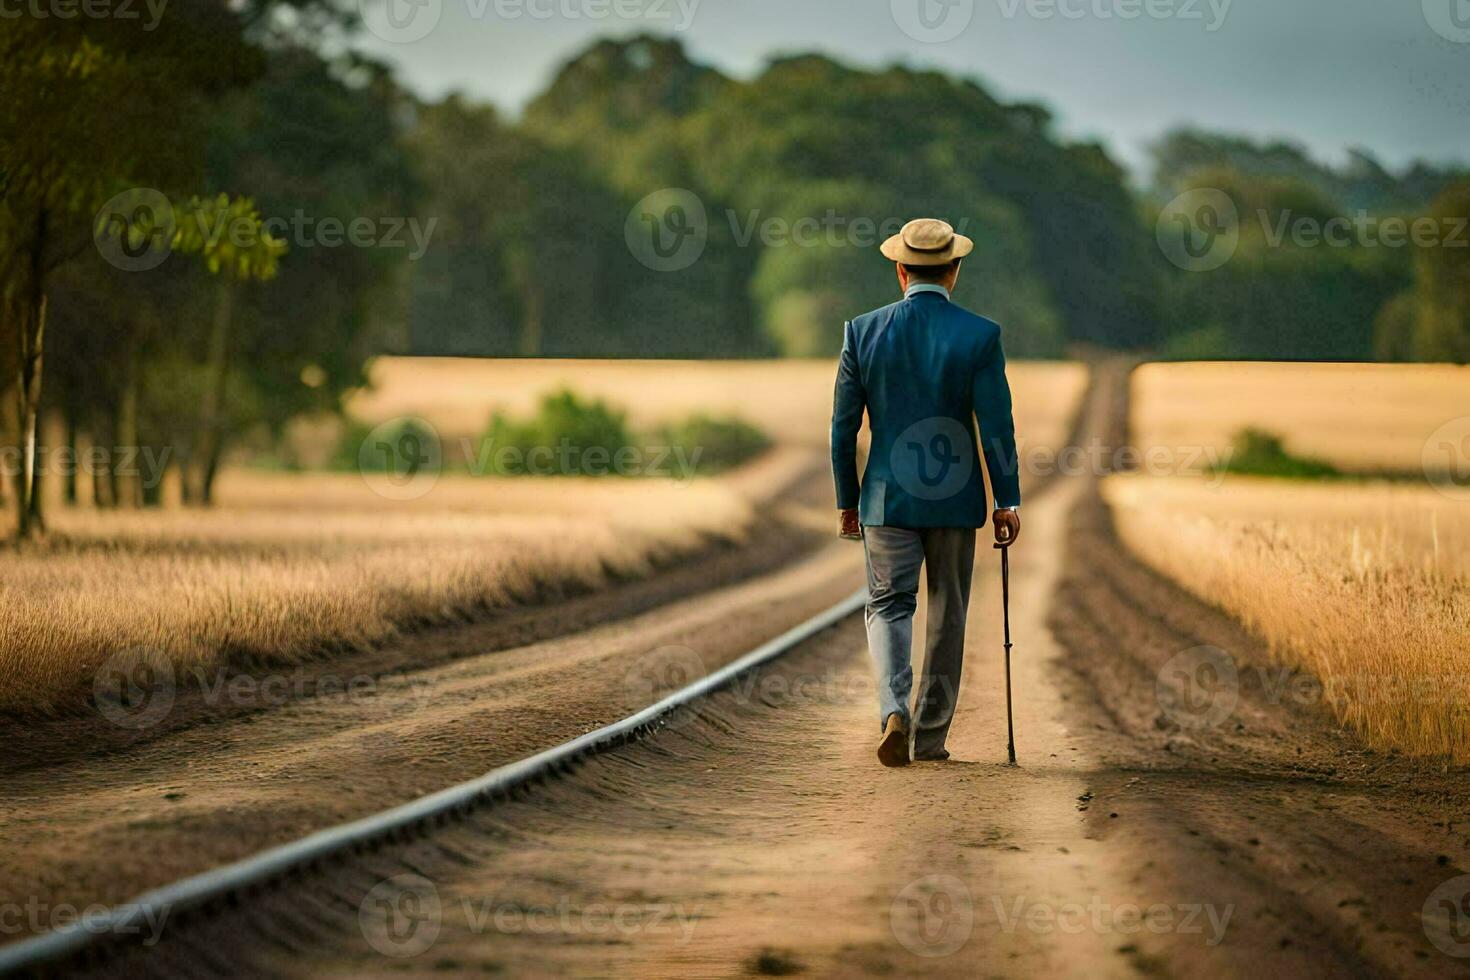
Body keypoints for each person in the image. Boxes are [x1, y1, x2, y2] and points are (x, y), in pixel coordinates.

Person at [830, 218, 1022, 767]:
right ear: (954, 271)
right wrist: (1007, 499)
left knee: (889, 604)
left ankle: (893, 708)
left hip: (887, 498)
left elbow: (844, 429)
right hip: (955, 498)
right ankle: (931, 737)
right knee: (948, 612)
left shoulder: (860, 332)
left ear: (900, 270)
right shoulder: (980, 335)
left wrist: (848, 500)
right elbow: (997, 427)